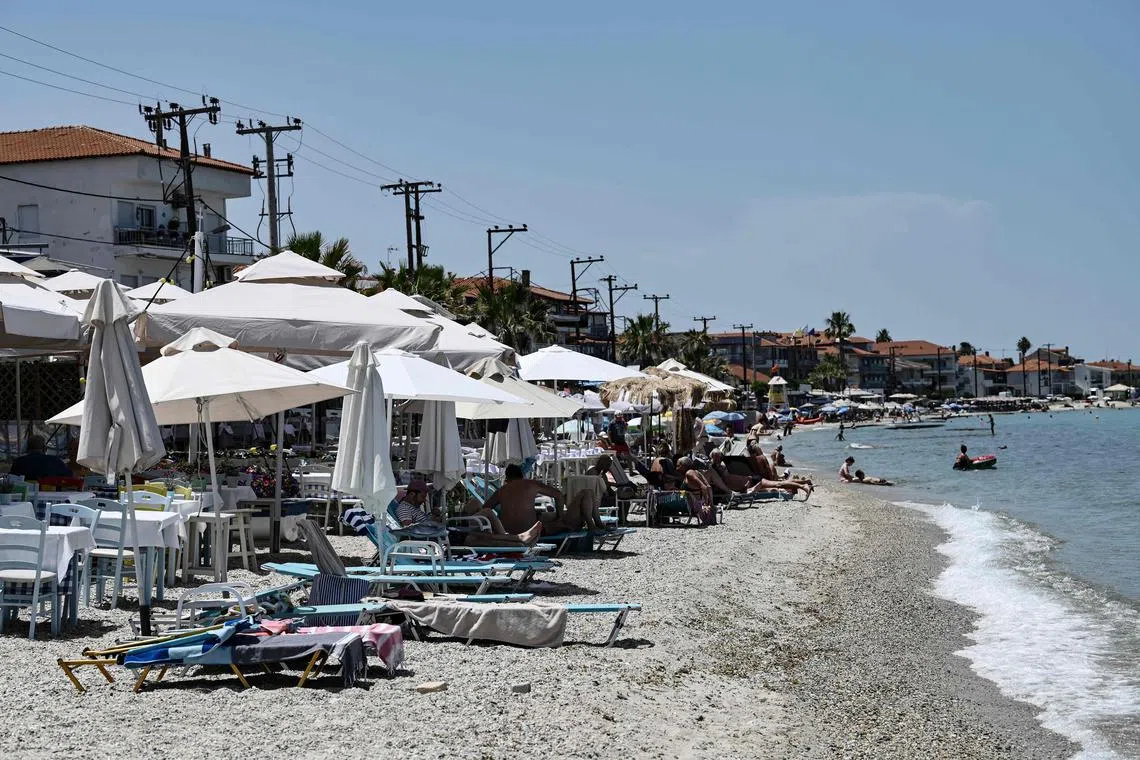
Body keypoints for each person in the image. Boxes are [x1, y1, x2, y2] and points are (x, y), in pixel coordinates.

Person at [484, 464, 591, 535]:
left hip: (507, 531)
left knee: (544, 518)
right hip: (531, 532)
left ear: (507, 478)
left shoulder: (501, 491)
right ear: (522, 476)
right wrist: (559, 516)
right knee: (569, 523)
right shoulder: (531, 484)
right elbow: (558, 495)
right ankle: (590, 526)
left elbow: (485, 509)